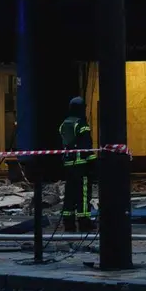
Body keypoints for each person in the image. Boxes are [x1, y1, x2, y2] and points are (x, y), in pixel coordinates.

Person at [58, 97, 96, 232]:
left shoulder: (64, 124)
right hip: (81, 166)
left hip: (68, 165)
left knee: (69, 195)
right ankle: (84, 222)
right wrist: (93, 164)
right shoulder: (82, 125)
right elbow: (87, 147)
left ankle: (68, 223)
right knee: (83, 196)